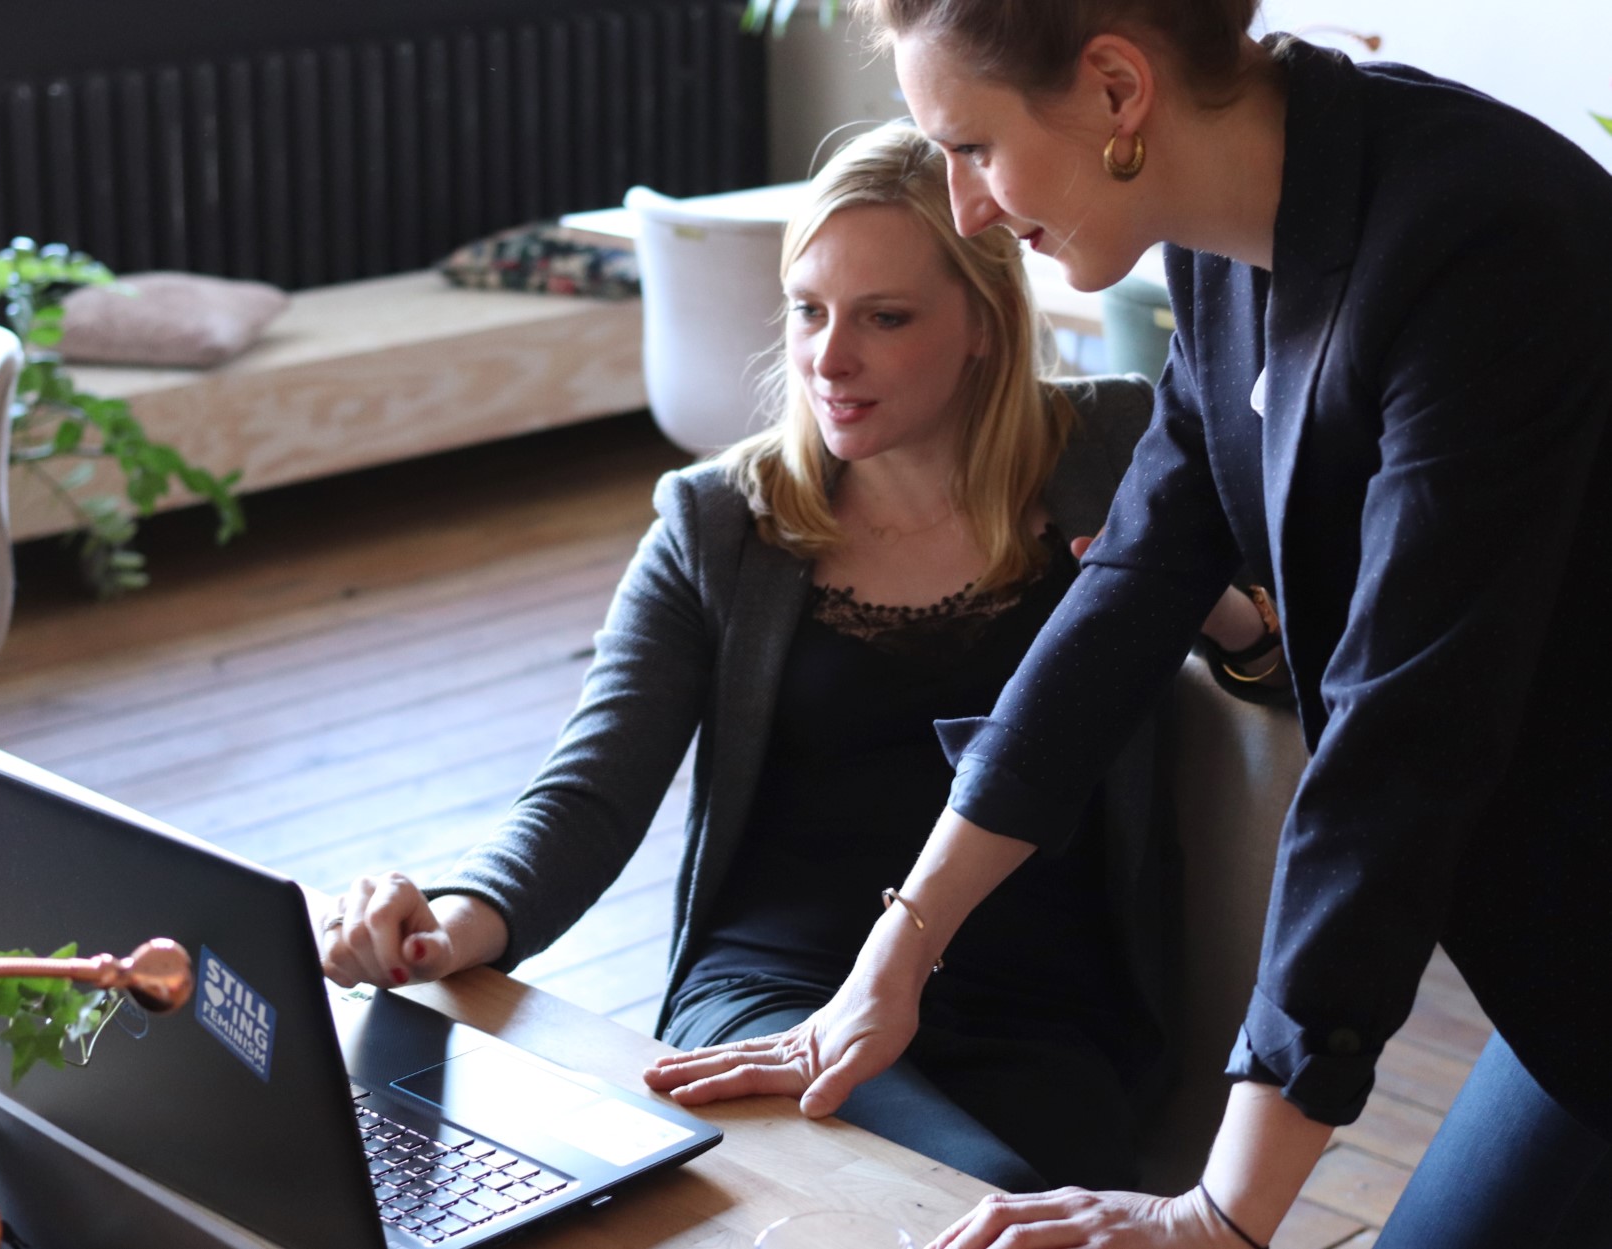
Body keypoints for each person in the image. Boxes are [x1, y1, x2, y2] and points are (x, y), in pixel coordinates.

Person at [638, 4, 1612, 1247]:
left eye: (974, 146)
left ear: (1115, 90)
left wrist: (1222, 1214)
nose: (967, 206)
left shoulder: (1478, 239)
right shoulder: (1227, 243)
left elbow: (1400, 744)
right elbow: (1134, 582)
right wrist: (894, 959)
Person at [322, 122, 1272, 1193]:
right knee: (952, 1195)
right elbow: (590, 789)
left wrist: (1221, 616)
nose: (829, 358)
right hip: (776, 992)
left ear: (984, 325)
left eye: (885, 317)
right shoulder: (721, 521)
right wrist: (452, 923)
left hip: (1044, 1010)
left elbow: (1293, 676)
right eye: (809, 310)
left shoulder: (1116, 451)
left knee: (993, 1194)